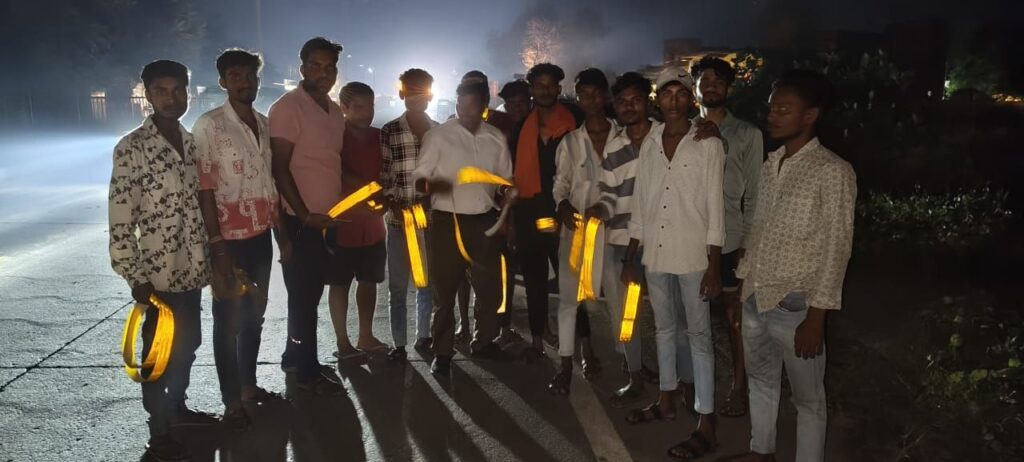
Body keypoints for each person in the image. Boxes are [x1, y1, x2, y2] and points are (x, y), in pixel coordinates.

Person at [719, 70, 855, 462]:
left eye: (783, 109)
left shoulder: (832, 171)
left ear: (810, 115)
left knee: (808, 400)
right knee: (761, 381)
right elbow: (756, 230)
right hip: (756, 296)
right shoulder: (771, 163)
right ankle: (761, 451)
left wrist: (816, 318)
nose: (772, 116)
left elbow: (837, 249)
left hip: (796, 306)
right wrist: (741, 289)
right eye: (771, 108)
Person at [109, 59, 216, 461]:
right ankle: (159, 434)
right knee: (158, 356)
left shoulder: (190, 143)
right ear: (148, 95)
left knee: (189, 344)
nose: (172, 99)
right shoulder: (132, 148)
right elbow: (121, 217)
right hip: (156, 276)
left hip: (191, 269)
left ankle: (177, 408)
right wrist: (133, 275)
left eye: (178, 90)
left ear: (188, 91)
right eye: (161, 91)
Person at [621, 66, 725, 460]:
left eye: (681, 92)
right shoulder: (650, 143)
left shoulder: (707, 142)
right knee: (663, 329)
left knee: (699, 336)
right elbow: (641, 201)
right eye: (667, 93)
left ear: (690, 98)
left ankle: (706, 420)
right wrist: (631, 255)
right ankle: (666, 398)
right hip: (657, 253)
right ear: (658, 99)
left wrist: (714, 265)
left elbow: (715, 207)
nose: (674, 100)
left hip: (694, 254)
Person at [194, 49, 283, 430]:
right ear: (223, 82)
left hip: (260, 236)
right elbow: (204, 188)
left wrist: (281, 236)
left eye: (250, 75)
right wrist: (216, 245)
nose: (244, 82)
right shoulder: (209, 126)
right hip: (227, 240)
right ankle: (231, 402)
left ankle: (248, 385)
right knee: (228, 322)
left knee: (254, 316)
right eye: (235, 76)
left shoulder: (263, 124)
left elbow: (269, 184)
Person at [413, 74, 513, 375]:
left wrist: (508, 193)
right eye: (460, 104)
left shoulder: (495, 138)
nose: (464, 110)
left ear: (484, 106)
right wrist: (435, 185)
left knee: (489, 289)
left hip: (484, 221)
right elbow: (419, 180)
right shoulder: (438, 136)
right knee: (444, 291)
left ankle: (484, 341)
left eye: (471, 105)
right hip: (447, 221)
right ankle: (442, 353)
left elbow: (505, 179)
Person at [269, 37, 347, 395]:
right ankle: (307, 371)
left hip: (327, 220)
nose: (323, 73)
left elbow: (331, 162)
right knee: (304, 297)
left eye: (329, 67)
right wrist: (303, 216)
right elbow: (280, 168)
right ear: (302, 69)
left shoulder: (334, 110)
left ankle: (293, 355)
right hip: (301, 222)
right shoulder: (289, 108)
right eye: (315, 65)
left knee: (308, 295)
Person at [691, 56, 765, 418]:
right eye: (704, 80)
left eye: (718, 81)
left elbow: (755, 196)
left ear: (729, 88)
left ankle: (739, 386)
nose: (711, 86)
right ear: (695, 88)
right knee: (694, 319)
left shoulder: (748, 134)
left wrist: (747, 247)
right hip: (690, 239)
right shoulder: (684, 131)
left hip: (731, 240)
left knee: (735, 321)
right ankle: (694, 384)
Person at [590, 72, 659, 406]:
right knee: (628, 314)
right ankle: (635, 376)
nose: (629, 107)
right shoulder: (614, 147)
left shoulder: (667, 137)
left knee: (668, 314)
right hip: (622, 243)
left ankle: (679, 383)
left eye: (636, 100)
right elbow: (608, 192)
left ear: (648, 102)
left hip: (661, 241)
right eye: (622, 102)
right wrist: (599, 210)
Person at [548, 68, 615, 394]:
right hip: (576, 233)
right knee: (569, 301)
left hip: (615, 235)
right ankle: (565, 364)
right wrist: (562, 205)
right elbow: (560, 184)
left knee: (620, 302)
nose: (589, 100)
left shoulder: (624, 139)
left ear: (605, 96)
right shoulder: (571, 142)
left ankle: (632, 365)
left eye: (595, 93)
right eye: (583, 94)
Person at [509, 63, 583, 359]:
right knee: (534, 280)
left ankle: (585, 347)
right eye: (539, 85)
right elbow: (512, 175)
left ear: (559, 88)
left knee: (572, 282)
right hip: (529, 211)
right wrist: (511, 220)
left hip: (565, 210)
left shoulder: (575, 122)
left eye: (551, 85)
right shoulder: (521, 128)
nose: (545, 90)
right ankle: (537, 340)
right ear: (532, 90)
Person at [326, 81, 390, 365]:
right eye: (359, 107)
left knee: (369, 280)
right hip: (343, 223)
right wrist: (369, 188)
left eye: (370, 106)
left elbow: (389, 173)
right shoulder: (335, 137)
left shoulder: (380, 137)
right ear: (344, 108)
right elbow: (335, 170)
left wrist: (384, 197)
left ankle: (366, 335)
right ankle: (343, 342)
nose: (367, 113)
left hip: (373, 225)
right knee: (339, 283)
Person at [379, 68, 438, 361]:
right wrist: (393, 203)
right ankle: (399, 343)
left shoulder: (438, 132)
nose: (416, 97)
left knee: (426, 283)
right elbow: (384, 174)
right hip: (399, 222)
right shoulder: (390, 131)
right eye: (410, 91)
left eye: (422, 91)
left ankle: (423, 336)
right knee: (398, 286)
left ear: (430, 95)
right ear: (402, 93)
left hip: (429, 222)